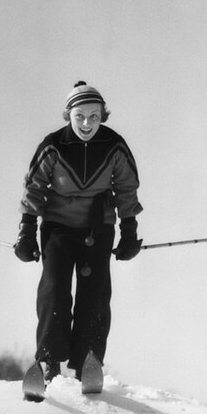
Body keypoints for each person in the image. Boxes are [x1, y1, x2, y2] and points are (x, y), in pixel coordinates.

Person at [15, 81, 143, 383]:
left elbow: (126, 188)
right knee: (54, 288)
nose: (87, 123)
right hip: (59, 228)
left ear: (103, 116)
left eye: (95, 116)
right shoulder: (53, 145)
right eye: (80, 116)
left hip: (98, 227)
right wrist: (27, 233)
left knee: (95, 293)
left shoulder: (114, 146)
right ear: (68, 115)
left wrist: (129, 232)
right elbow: (34, 187)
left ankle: (88, 361)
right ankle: (49, 359)